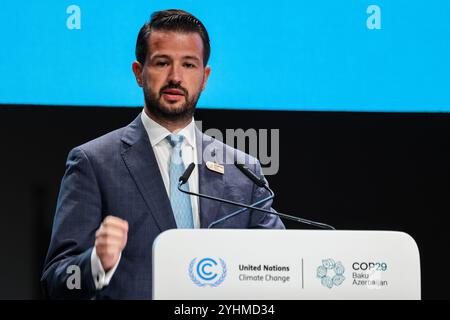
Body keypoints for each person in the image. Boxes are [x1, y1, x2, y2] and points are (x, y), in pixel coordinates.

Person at [41, 9, 284, 299]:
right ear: (138, 73)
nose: (175, 77)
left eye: (189, 65)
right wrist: (95, 263)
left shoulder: (242, 170)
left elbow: (281, 265)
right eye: (162, 62)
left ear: (205, 77)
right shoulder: (93, 162)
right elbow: (57, 281)